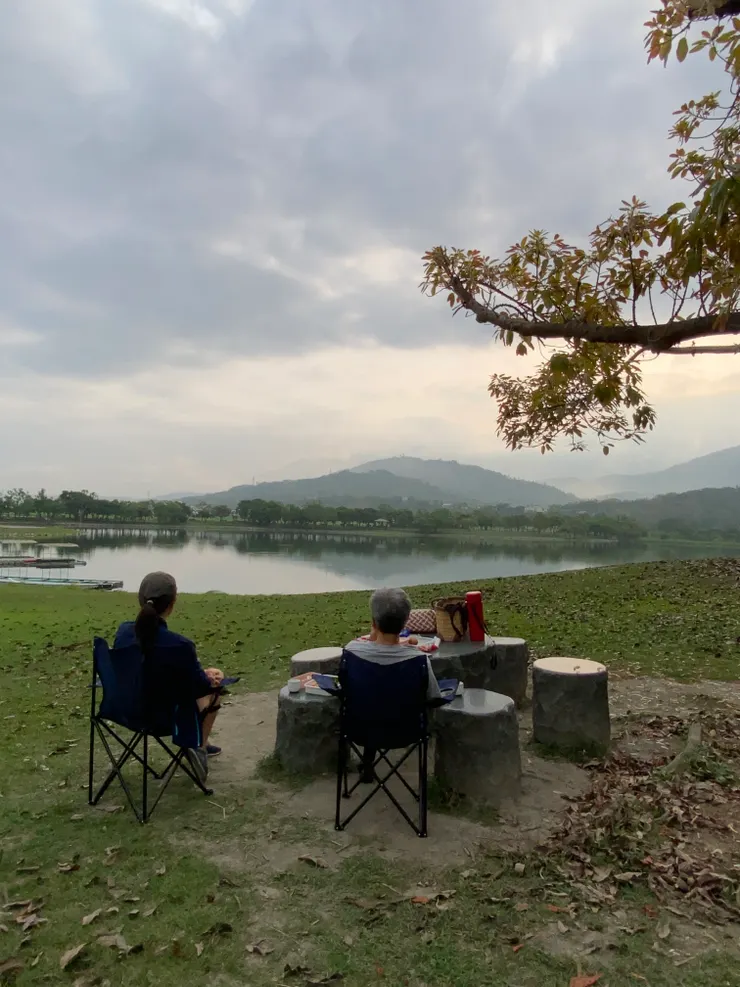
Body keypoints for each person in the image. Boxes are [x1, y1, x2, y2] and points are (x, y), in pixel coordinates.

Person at [114, 571, 223, 785]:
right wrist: (210, 678)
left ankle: (199, 743)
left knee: (190, 686)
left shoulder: (124, 632)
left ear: (141, 599)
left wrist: (201, 675)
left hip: (123, 710)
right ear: (172, 604)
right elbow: (198, 687)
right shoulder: (180, 645)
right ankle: (198, 745)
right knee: (213, 693)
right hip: (165, 719)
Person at [345, 587, 442, 782]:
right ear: (406, 623)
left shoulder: (351, 652)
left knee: (374, 697)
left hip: (359, 730)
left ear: (373, 622)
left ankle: (367, 765)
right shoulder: (419, 660)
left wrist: (372, 640)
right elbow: (434, 697)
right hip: (406, 733)